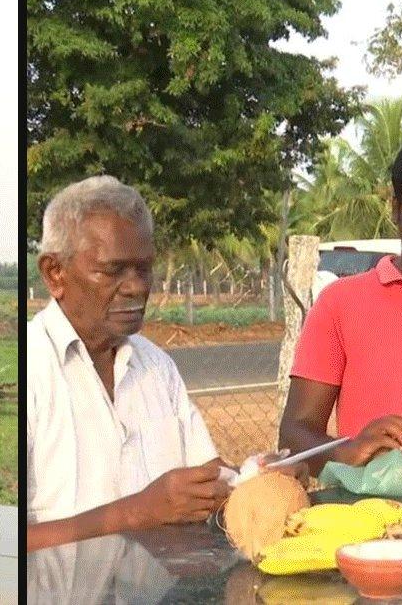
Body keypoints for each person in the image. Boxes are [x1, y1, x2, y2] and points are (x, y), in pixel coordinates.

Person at [27, 175, 305, 553]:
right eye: (112, 271)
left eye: (144, 269)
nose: (136, 287)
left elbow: (207, 479)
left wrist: (253, 479)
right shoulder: (30, 370)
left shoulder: (157, 366)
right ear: (54, 273)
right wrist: (136, 513)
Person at [279, 139, 402, 481]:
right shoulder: (339, 303)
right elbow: (295, 435)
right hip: (370, 511)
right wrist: (349, 451)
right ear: (396, 210)